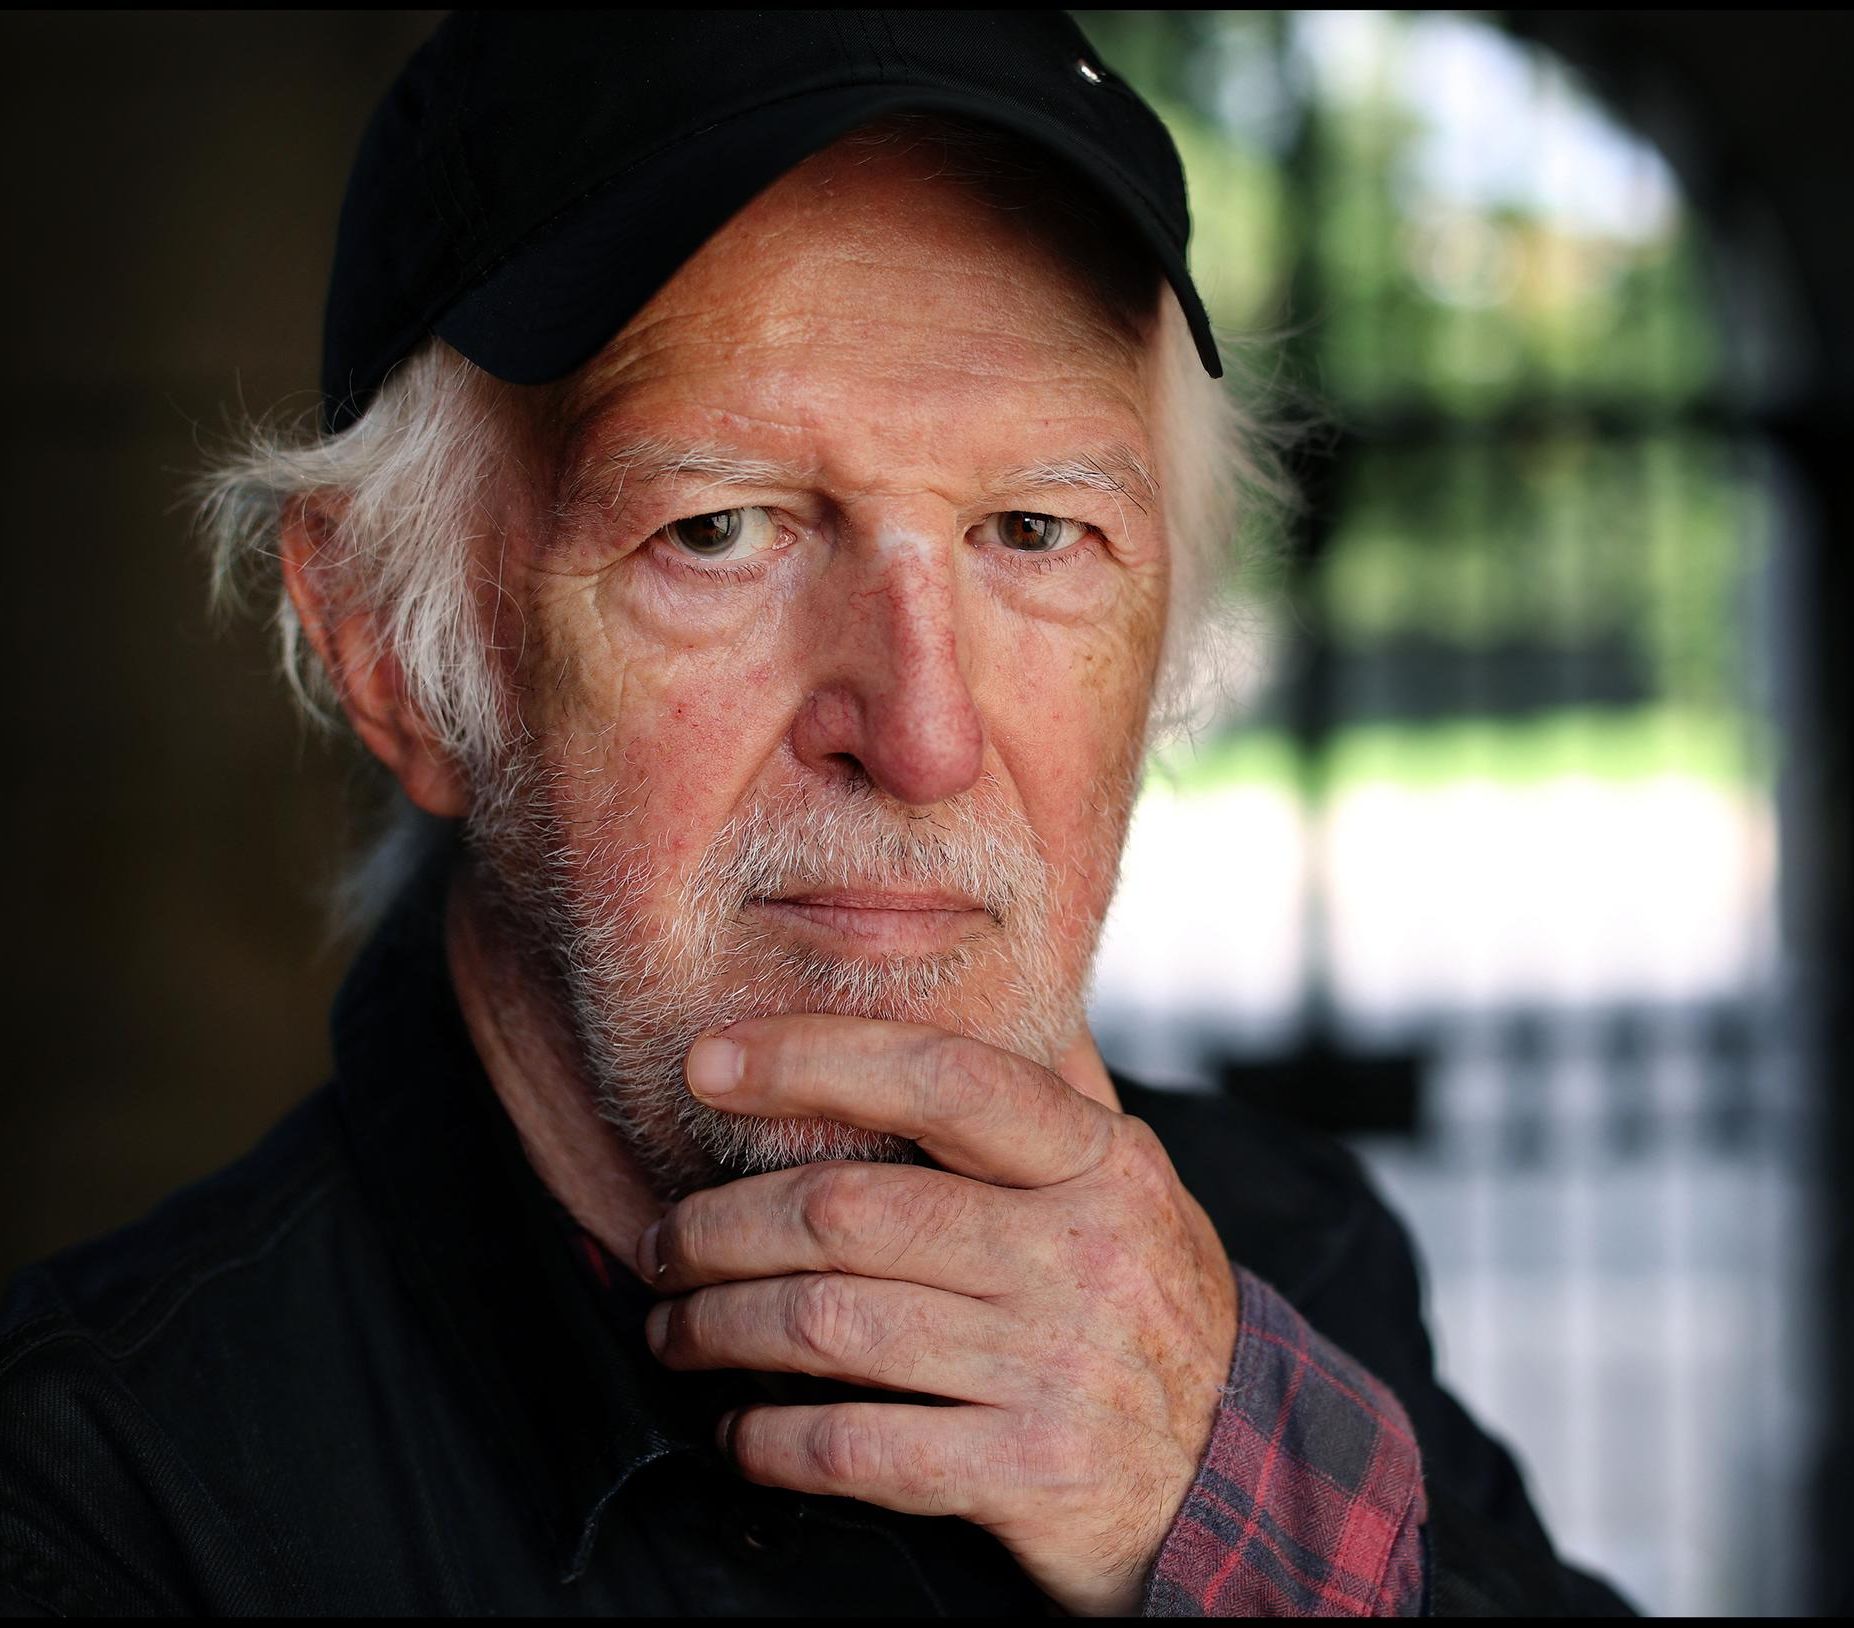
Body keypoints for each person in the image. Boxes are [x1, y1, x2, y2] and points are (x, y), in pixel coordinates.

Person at [0, 13, 1630, 1616]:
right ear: (391, 655)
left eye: (1033, 532)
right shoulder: (102, 1494)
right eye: (717, 532)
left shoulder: (1280, 1265)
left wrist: (1210, 1495)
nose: (920, 735)